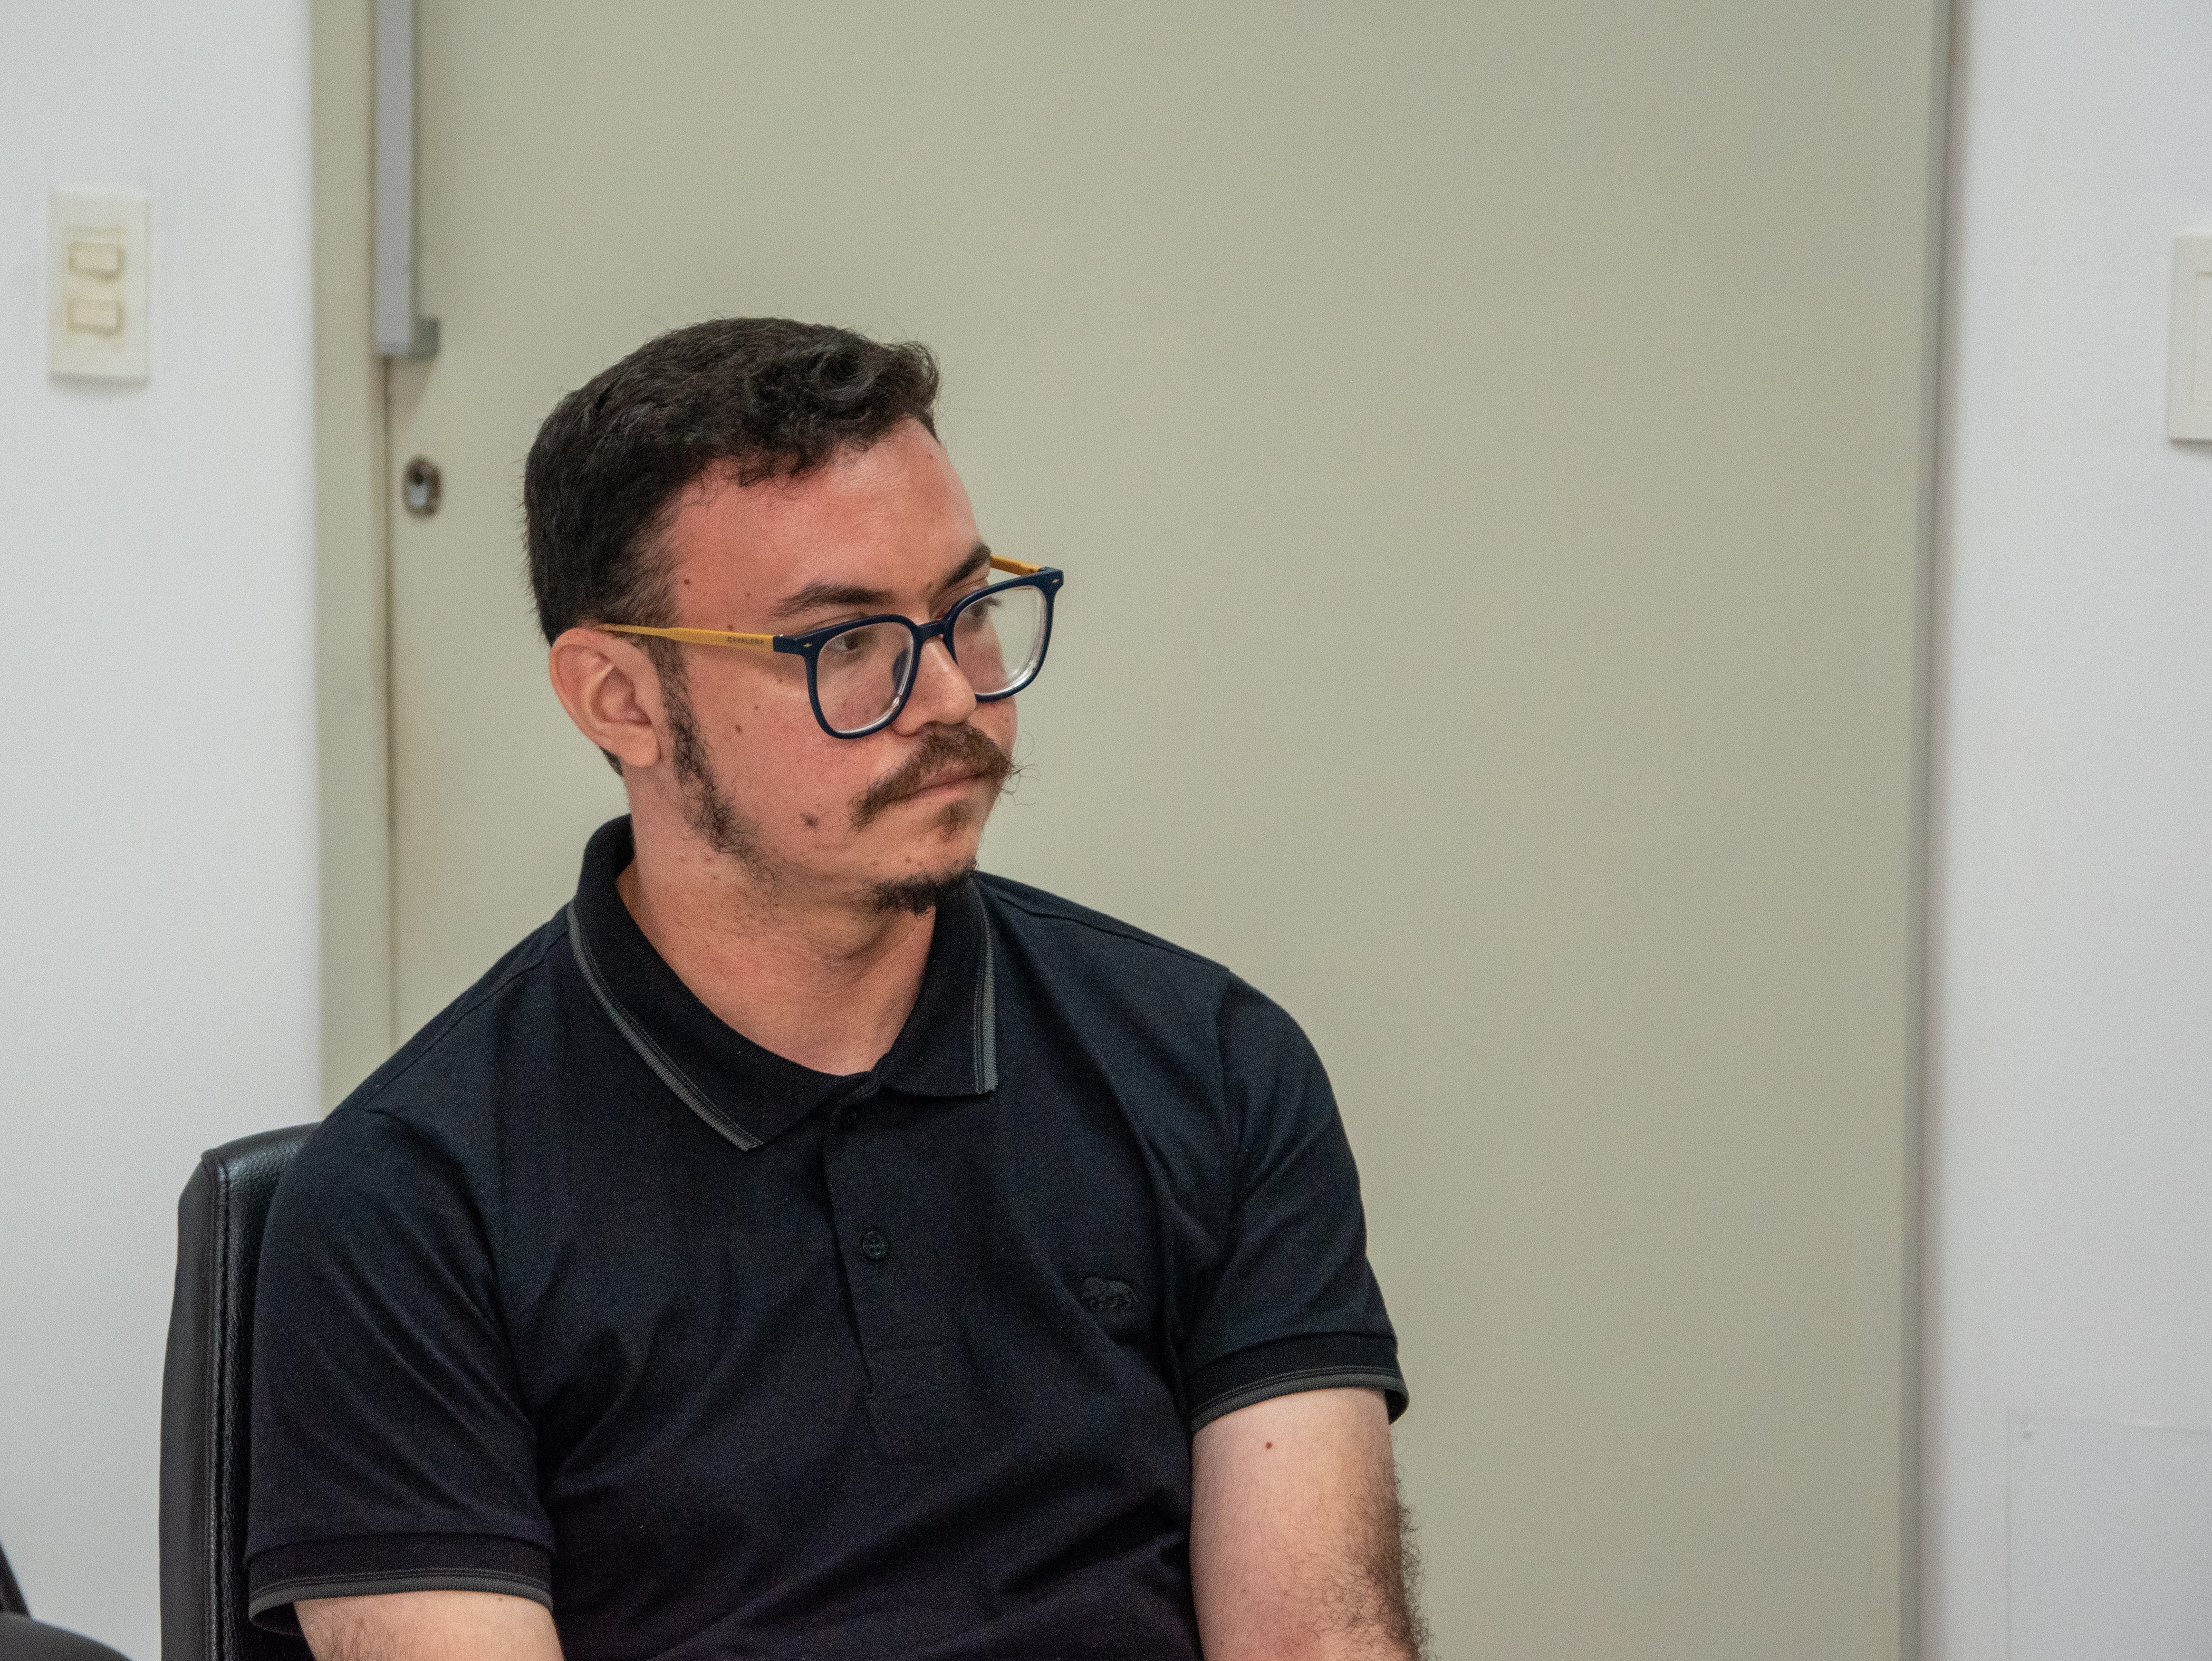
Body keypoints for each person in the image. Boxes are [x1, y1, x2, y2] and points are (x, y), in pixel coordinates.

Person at [246, 319, 1422, 1661]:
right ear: (620, 698)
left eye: (968, 610)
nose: (951, 696)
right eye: (848, 640)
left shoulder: (1211, 1067)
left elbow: (1317, 1638)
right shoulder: (408, 1206)